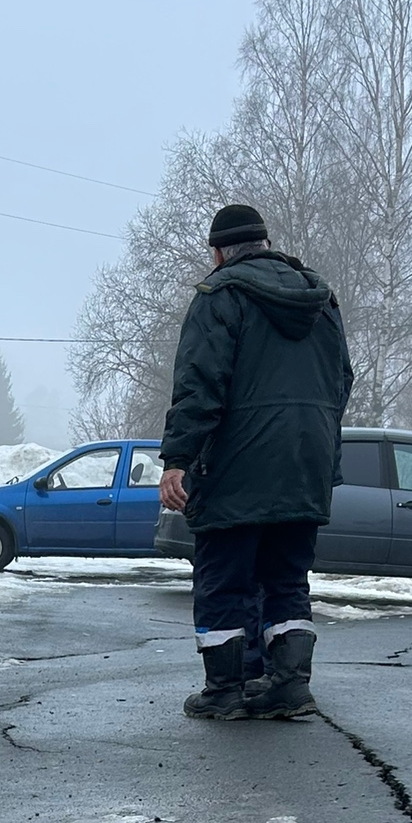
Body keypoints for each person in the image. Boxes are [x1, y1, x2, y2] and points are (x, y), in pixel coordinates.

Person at [158, 203, 352, 721]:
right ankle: (288, 685)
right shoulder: (321, 301)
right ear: (265, 244)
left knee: (224, 579)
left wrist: (178, 459)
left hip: (237, 468)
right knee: (287, 579)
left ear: (219, 251)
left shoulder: (220, 297)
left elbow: (199, 385)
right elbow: (341, 384)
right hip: (306, 465)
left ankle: (225, 689)